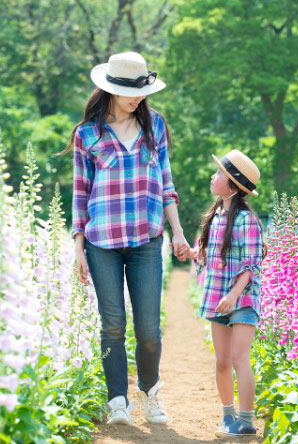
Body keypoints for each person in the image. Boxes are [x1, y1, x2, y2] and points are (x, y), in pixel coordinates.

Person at [63, 52, 189, 425]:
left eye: (142, 91)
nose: (139, 98)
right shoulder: (88, 134)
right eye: (131, 92)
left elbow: (167, 184)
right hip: (102, 242)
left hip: (148, 241)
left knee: (148, 328)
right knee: (113, 324)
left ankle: (150, 394)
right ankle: (117, 400)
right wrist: (78, 247)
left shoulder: (155, 127)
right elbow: (80, 194)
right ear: (111, 90)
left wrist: (178, 232)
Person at [187, 150, 266, 437]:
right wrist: (193, 252)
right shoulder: (215, 215)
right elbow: (210, 255)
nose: (213, 176)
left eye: (219, 173)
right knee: (221, 360)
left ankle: (246, 421)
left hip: (242, 298)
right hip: (217, 295)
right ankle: (228, 416)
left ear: (232, 185)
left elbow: (251, 265)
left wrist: (233, 295)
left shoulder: (246, 219)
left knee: (237, 357)